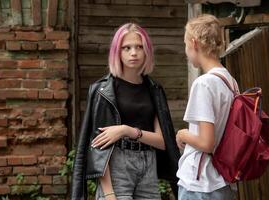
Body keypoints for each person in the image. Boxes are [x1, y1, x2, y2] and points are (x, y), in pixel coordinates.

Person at [71, 23, 180, 200]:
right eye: (126, 48)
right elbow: (99, 146)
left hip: (148, 165)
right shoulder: (103, 91)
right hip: (116, 167)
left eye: (139, 47)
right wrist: (109, 193)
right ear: (117, 52)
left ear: (147, 51)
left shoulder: (154, 89)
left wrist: (125, 130)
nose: (134, 53)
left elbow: (162, 142)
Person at [176, 14, 238, 200]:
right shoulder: (229, 81)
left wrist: (182, 134)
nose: (186, 51)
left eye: (185, 45)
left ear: (194, 43)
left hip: (200, 184)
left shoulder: (204, 84)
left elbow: (206, 143)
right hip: (222, 181)